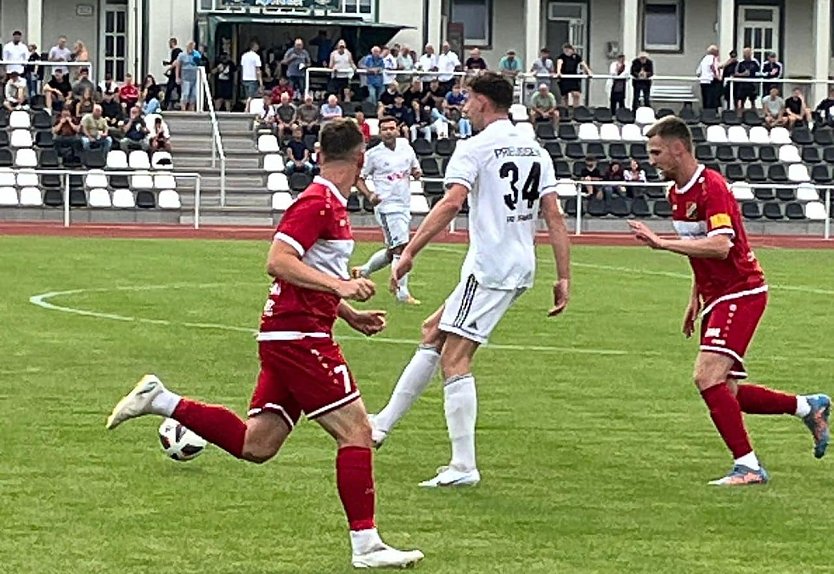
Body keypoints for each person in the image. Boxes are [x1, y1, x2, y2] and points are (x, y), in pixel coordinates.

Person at [105, 118, 424, 570]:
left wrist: (348, 314)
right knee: (358, 433)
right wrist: (343, 289)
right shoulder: (316, 203)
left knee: (258, 445)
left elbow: (307, 276)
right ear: (361, 159)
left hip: (289, 335)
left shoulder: (329, 202)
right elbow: (278, 261)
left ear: (317, 154)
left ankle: (162, 400)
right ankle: (366, 544)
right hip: (300, 339)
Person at [369, 72, 571, 487]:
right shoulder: (535, 149)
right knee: (432, 331)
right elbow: (553, 213)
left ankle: (464, 466)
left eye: (467, 99)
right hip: (517, 265)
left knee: (455, 359)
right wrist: (563, 275)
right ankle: (382, 423)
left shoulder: (474, 148)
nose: (463, 106)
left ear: (482, 102)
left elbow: (451, 203)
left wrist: (408, 252)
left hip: (490, 268)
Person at [627, 116, 830, 486]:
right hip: (717, 297)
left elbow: (721, 246)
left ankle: (749, 467)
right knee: (727, 390)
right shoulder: (676, 194)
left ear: (678, 148)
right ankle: (807, 406)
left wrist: (661, 244)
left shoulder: (712, 187)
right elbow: (699, 252)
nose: (651, 159)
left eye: (656, 152)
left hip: (742, 291)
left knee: (706, 377)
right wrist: (695, 296)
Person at [352, 116, 422, 305]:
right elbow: (358, 178)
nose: (389, 132)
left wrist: (416, 173)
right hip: (387, 207)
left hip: (404, 203)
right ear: (380, 132)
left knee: (393, 251)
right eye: (384, 129)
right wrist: (369, 195)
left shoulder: (407, 148)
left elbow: (415, 169)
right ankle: (402, 292)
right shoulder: (374, 155)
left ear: (397, 130)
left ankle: (364, 271)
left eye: (391, 128)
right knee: (402, 248)